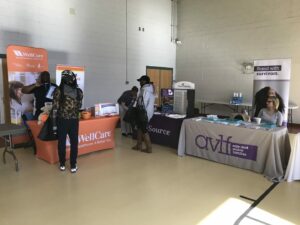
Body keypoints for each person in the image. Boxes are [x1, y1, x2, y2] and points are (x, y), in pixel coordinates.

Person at [52, 70, 83, 173]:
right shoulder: (79, 92)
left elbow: (55, 108)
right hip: (74, 121)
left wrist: (54, 125)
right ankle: (73, 165)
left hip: (62, 121)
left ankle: (62, 164)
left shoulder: (58, 90)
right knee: (74, 143)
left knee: (61, 143)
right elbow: (79, 106)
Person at [132, 75, 155, 153]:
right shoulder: (144, 89)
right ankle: (139, 145)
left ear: (145, 81)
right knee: (139, 128)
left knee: (144, 130)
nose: (140, 82)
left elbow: (143, 102)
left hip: (143, 112)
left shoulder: (146, 90)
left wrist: (137, 108)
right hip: (141, 111)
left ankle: (149, 148)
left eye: (141, 81)